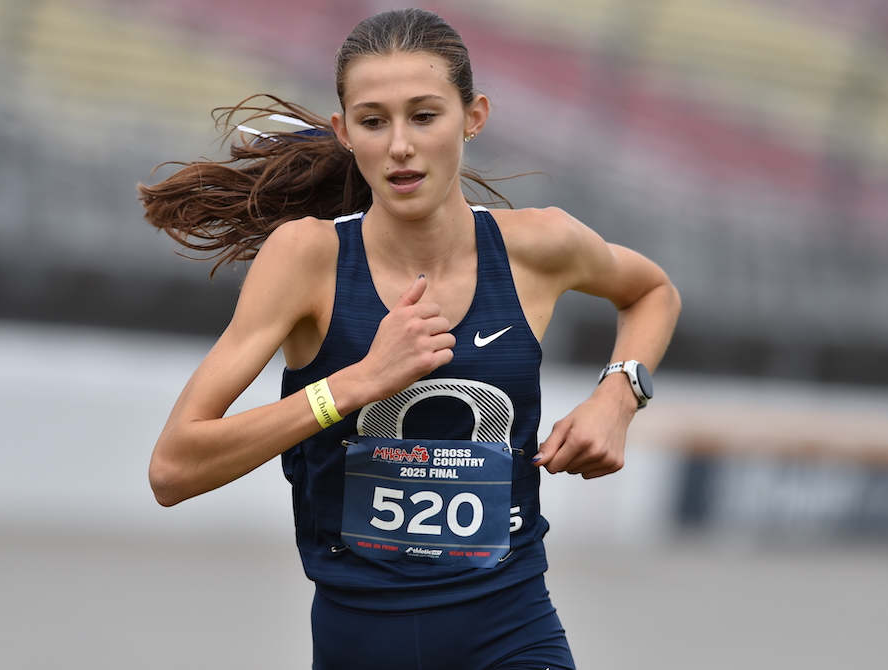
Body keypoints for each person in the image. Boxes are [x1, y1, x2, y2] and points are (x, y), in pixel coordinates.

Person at [139, 8, 679, 670]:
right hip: (359, 638)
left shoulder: (539, 247)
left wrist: (618, 396)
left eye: (424, 116)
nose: (400, 145)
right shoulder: (307, 260)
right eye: (374, 121)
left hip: (512, 627)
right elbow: (174, 468)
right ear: (344, 132)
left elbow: (653, 292)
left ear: (473, 116)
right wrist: (352, 385)